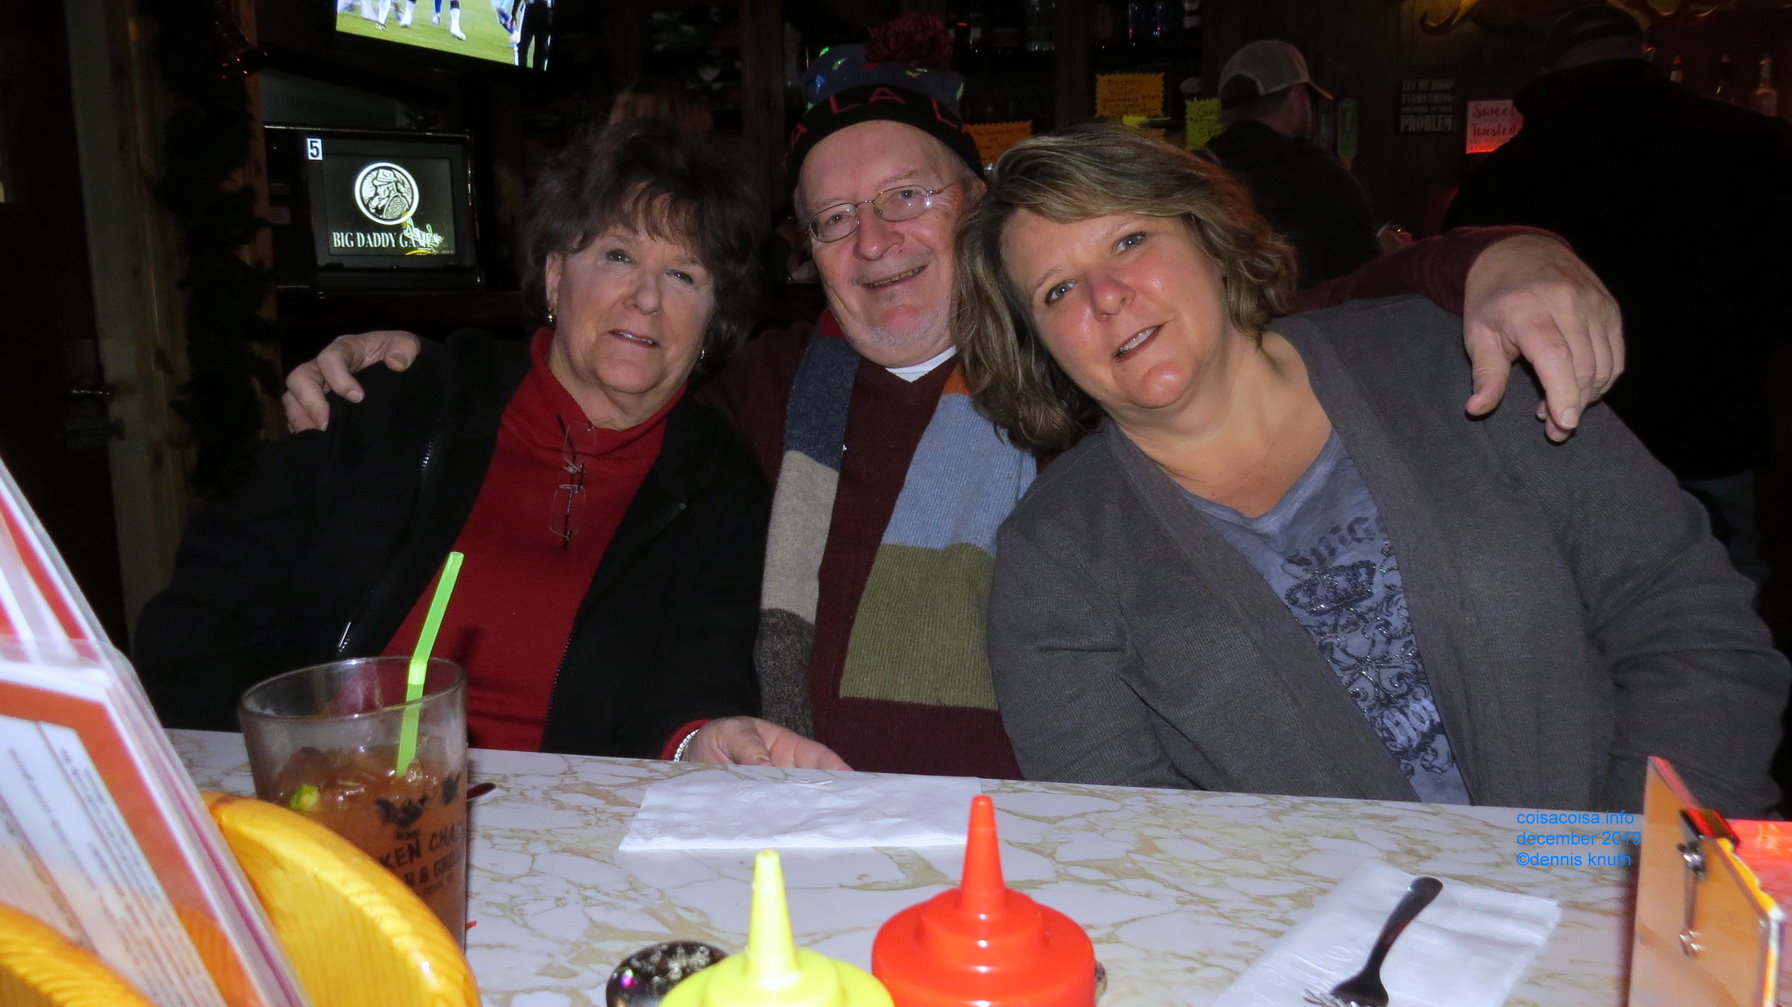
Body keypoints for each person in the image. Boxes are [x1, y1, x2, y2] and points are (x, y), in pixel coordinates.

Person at [283, 16, 1626, 779]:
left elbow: (1308, 315)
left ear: (979, 213)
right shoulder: (766, 385)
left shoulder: (1104, 345)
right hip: (819, 818)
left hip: (1076, 807)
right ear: (804, 260)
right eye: (836, 220)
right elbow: (611, 360)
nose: (875, 241)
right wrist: (406, 360)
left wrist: (1501, 254)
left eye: (909, 198)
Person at [956, 123, 1785, 815]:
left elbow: (1690, 627)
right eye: (1059, 291)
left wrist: (1619, 872)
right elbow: (1129, 828)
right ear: (1039, 346)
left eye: (1131, 240)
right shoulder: (1055, 554)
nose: (1106, 296)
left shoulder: (1447, 361)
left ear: (1207, 237)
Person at [135, 122, 844, 770]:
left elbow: (700, 677)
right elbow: (199, 630)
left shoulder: (720, 486)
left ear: (715, 316)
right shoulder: (396, 405)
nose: (647, 298)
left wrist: (695, 740)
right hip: (318, 795)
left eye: (684, 275)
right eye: (618, 254)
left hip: (561, 837)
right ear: (556, 274)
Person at [1446, 5, 1792, 588]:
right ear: (1645, 53)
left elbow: (1455, 321)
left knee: (1576, 610)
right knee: (1724, 612)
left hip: (1561, 440)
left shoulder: (1501, 179)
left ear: (1551, 69)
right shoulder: (1759, 148)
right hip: (1711, 431)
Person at [1204, 39, 1380, 287]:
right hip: (1307, 321)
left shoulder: (1195, 168)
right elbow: (1363, 278)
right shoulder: (1323, 176)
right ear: (1297, 95)